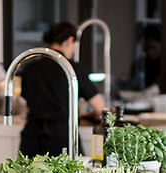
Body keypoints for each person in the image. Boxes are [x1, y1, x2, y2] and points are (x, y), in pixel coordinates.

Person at [19, 22, 105, 157]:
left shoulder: (30, 68)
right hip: (61, 138)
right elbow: (100, 108)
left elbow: (26, 104)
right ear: (70, 41)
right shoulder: (72, 69)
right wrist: (85, 116)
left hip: (31, 139)